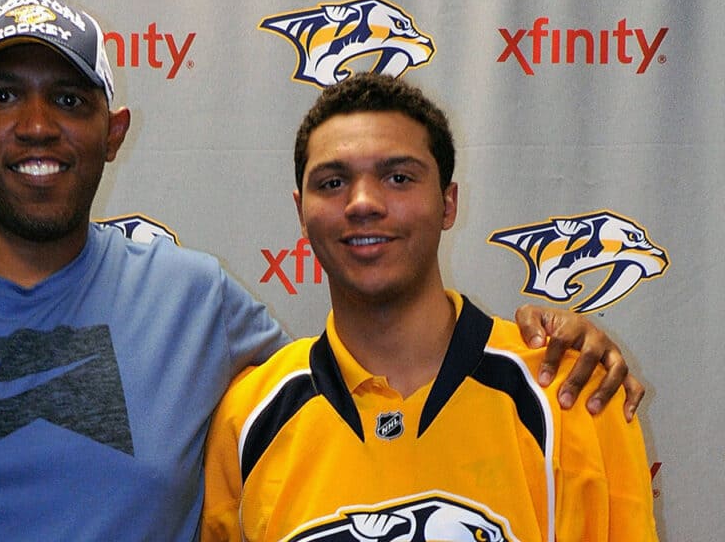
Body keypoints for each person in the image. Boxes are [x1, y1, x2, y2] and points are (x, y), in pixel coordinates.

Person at [0, 0, 640, 542]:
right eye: (4, 95)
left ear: (112, 134)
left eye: (70, 99)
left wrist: (562, 332)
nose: (38, 126)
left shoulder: (198, 305)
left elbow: (360, 382)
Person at [201, 72, 658, 541]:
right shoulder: (249, 417)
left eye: (398, 178)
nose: (363, 202)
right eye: (333, 182)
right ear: (301, 211)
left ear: (448, 203)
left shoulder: (571, 392)